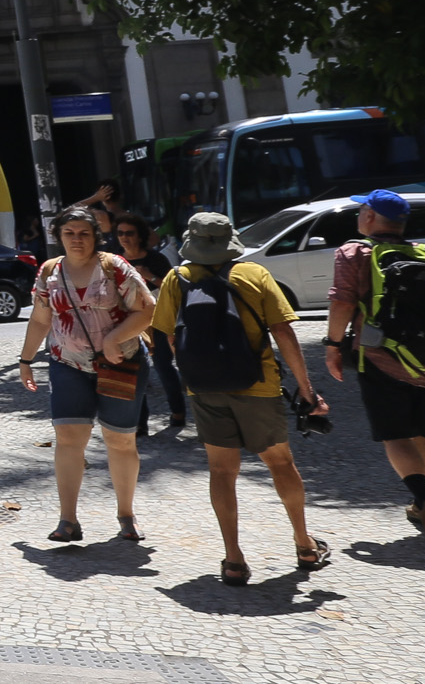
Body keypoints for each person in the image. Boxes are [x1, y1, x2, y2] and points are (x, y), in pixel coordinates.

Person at [153, 212, 329, 586]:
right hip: (258, 385)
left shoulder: (177, 279)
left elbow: (170, 338)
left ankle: (233, 559)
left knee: (221, 471)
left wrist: (197, 373)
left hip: (205, 389)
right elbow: (282, 331)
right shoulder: (254, 275)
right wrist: (307, 389)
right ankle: (304, 544)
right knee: (280, 463)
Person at [323, 189, 425, 551]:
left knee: (396, 436)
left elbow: (342, 301)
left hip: (380, 359)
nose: (359, 213)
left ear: (371, 218)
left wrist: (332, 346)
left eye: (362, 209)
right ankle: (423, 506)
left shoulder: (354, 252)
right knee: (423, 437)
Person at [18, 206, 156, 543]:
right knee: (68, 438)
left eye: (84, 233)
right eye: (69, 233)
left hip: (120, 364)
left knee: (120, 441)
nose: (77, 239)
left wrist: (113, 337)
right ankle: (68, 520)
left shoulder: (114, 268)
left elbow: (148, 309)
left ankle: (126, 514)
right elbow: (40, 319)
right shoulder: (50, 271)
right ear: (59, 237)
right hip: (67, 364)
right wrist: (25, 360)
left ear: (96, 236)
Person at [113, 213, 186, 435]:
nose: (124, 238)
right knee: (135, 371)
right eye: (120, 233)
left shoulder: (156, 259)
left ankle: (178, 412)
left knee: (163, 367)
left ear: (140, 236)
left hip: (159, 321)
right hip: (130, 324)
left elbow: (172, 288)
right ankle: (140, 422)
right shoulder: (116, 262)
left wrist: (149, 276)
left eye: (129, 233)